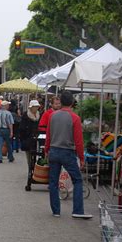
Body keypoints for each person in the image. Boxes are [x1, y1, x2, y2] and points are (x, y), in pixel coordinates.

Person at [45, 91, 92, 219]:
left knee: (53, 182)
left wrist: (46, 150)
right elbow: (78, 140)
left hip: (54, 150)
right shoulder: (75, 118)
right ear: (72, 102)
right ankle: (77, 210)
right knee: (77, 180)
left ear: (60, 101)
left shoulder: (52, 116)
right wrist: (81, 157)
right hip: (67, 152)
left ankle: (56, 211)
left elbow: (48, 135)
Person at [20, 100, 41, 191]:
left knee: (37, 155)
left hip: (37, 139)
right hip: (28, 140)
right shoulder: (26, 116)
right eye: (34, 106)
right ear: (30, 107)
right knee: (29, 156)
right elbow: (22, 129)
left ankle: (35, 170)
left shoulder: (39, 115)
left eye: (37, 106)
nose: (36, 108)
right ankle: (30, 170)